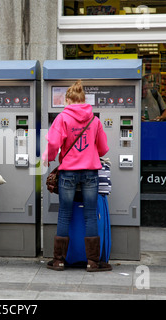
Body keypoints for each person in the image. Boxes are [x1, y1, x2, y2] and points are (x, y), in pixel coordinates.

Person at [42, 80, 111, 272]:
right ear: (83, 100)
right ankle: (93, 262)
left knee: (65, 213)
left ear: (68, 100)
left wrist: (49, 158)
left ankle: (59, 261)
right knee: (90, 214)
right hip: (90, 172)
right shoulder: (94, 120)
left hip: (68, 172)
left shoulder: (62, 118)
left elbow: (53, 143)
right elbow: (104, 148)